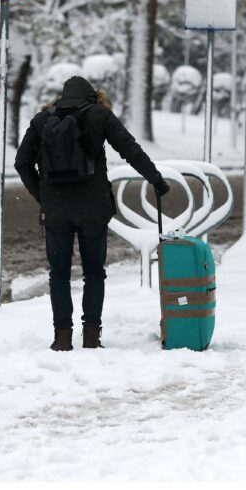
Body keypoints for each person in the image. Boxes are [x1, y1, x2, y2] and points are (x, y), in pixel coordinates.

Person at [15, 76, 169, 351]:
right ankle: (91, 336)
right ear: (93, 97)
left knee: (59, 275)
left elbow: (21, 163)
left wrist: (44, 196)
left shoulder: (42, 121)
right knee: (94, 274)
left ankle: (62, 338)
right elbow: (130, 150)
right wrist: (155, 179)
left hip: (57, 211)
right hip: (93, 209)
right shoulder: (99, 115)